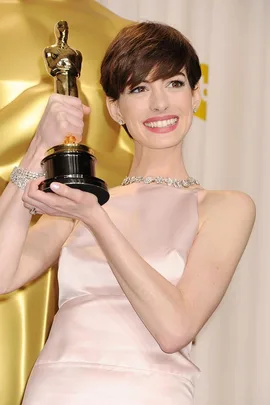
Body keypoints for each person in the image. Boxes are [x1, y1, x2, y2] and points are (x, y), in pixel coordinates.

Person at [0, 22, 255, 404]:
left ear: (196, 95)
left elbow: (174, 330)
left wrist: (96, 220)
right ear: (115, 108)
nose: (159, 104)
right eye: (139, 89)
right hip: (57, 391)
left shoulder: (224, 207)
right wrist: (39, 147)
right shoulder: (80, 201)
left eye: (174, 84)